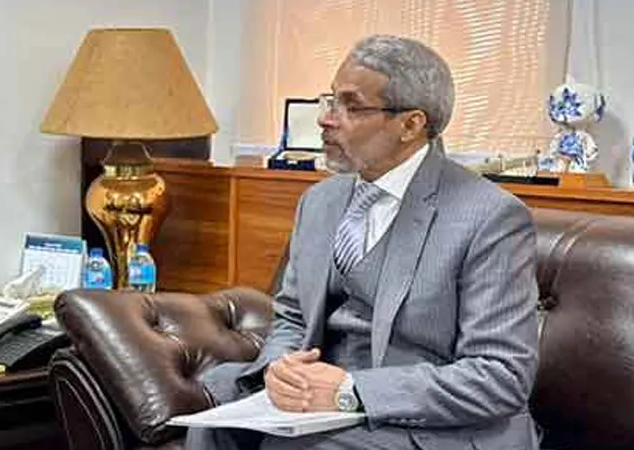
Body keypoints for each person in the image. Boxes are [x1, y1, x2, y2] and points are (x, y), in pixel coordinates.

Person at [187, 35, 539, 449]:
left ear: (411, 125)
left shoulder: (490, 217)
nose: (326, 119)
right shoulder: (320, 201)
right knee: (211, 428)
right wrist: (281, 371)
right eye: (330, 100)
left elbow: (500, 375)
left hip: (428, 424)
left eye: (351, 107)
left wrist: (351, 392)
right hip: (322, 409)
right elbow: (293, 317)